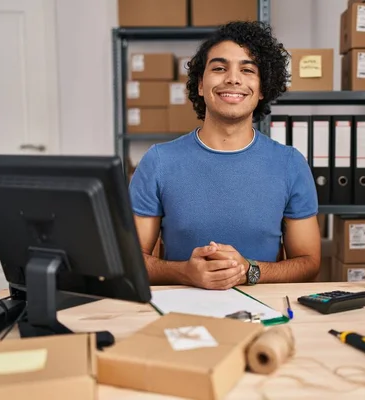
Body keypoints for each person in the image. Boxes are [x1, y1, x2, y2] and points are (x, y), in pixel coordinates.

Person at [129, 20, 321, 290]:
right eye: (219, 68)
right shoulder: (159, 161)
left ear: (262, 89)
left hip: (263, 313)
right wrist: (184, 272)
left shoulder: (290, 164)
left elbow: (309, 262)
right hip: (184, 314)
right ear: (199, 85)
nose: (233, 78)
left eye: (247, 70)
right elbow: (131, 261)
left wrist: (249, 271)